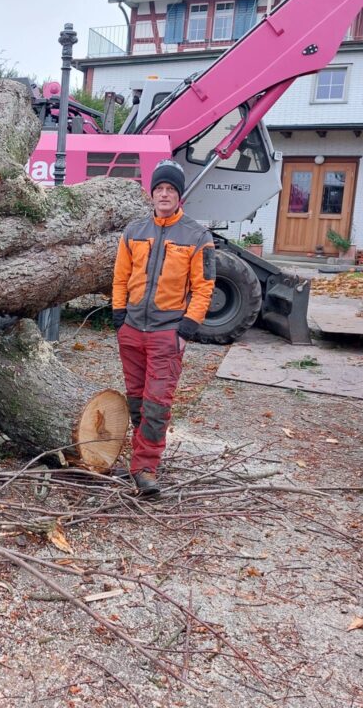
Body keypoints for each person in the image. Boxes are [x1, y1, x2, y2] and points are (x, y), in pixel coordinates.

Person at [111, 159, 216, 495]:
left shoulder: (198, 237)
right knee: (138, 403)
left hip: (166, 333)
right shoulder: (134, 232)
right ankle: (143, 456)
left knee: (157, 403)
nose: (165, 194)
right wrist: (118, 315)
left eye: (171, 189)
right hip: (132, 331)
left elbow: (204, 288)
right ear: (152, 193)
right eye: (160, 189)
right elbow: (120, 277)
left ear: (180, 195)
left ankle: (145, 468)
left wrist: (186, 329)